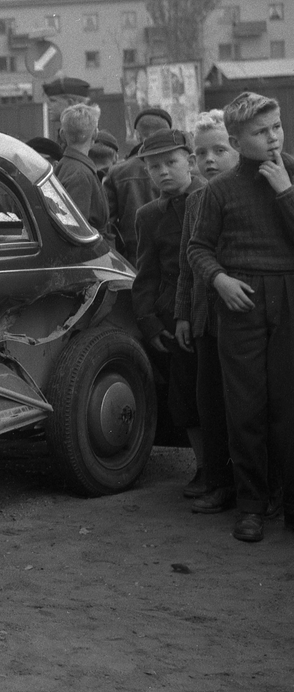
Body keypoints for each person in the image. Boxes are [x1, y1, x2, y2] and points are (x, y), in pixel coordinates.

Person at [187, 91, 294, 543]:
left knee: (289, 407)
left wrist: (285, 191)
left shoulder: (291, 174)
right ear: (236, 141)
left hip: (289, 297)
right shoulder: (219, 190)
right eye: (260, 132)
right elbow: (198, 248)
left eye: (277, 127)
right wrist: (220, 280)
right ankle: (251, 506)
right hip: (241, 303)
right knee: (245, 408)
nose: (273, 139)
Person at [130, 129, 204, 494]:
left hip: (216, 312)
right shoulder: (149, 216)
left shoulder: (212, 198)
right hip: (175, 321)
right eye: (154, 166)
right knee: (186, 398)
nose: (163, 172)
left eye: (171, 162)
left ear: (189, 161)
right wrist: (150, 322)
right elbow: (146, 274)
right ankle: (205, 468)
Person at [175, 110, 239, 515]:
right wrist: (183, 314)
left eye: (220, 150)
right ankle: (218, 482)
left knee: (247, 408)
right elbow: (187, 263)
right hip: (205, 321)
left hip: (244, 318)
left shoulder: (253, 194)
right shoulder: (195, 200)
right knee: (210, 404)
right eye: (201, 153)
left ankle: (259, 487)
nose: (209, 160)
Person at [104, 108, 173, 259]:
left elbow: (107, 221)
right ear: (168, 133)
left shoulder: (117, 172)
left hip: (133, 254)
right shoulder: (182, 168)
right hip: (174, 251)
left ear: (137, 135)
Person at [54, 103, 108, 233]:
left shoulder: (64, 165)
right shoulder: (81, 174)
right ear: (95, 133)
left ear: (62, 134)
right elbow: (75, 231)